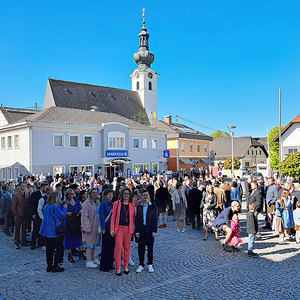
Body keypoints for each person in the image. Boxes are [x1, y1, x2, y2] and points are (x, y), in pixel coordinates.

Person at [39, 191, 67, 272]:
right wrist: (65, 208)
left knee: (49, 250)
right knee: (59, 249)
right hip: (55, 232)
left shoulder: (46, 206)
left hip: (47, 232)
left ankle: (49, 266)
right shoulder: (54, 206)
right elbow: (62, 215)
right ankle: (55, 266)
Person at [110, 187, 135, 276]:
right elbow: (113, 216)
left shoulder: (132, 204)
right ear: (122, 194)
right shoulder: (117, 203)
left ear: (130, 195)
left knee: (127, 248)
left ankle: (126, 266)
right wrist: (112, 229)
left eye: (128, 194)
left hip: (128, 229)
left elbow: (133, 217)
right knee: (118, 248)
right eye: (125, 193)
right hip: (119, 228)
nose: (126, 195)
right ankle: (118, 267)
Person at [135, 190, 158, 273]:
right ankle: (141, 264)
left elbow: (155, 219)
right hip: (141, 230)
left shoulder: (153, 206)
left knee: (150, 248)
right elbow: (137, 220)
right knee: (141, 248)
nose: (145, 197)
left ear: (149, 197)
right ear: (141, 197)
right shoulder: (139, 207)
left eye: (146, 195)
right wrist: (136, 231)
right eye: (143, 195)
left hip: (150, 230)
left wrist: (154, 231)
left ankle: (150, 264)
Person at [61, 188, 85, 263]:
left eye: (72, 194)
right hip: (69, 221)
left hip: (76, 220)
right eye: (69, 194)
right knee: (69, 237)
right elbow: (61, 212)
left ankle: (81, 251)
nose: (71, 195)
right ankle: (70, 254)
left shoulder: (76, 201)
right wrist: (66, 213)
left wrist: (81, 211)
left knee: (78, 236)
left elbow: (80, 208)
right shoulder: (65, 203)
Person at [81, 188, 100, 268]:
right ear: (90, 194)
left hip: (96, 226)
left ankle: (94, 258)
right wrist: (86, 226)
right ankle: (88, 261)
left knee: (94, 243)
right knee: (89, 244)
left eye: (96, 193)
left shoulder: (97, 202)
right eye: (93, 193)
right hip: (90, 226)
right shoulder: (87, 203)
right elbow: (84, 216)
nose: (95, 194)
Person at [99, 189, 115, 272]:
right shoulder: (103, 204)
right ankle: (104, 266)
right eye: (109, 194)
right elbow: (101, 217)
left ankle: (110, 264)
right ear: (105, 195)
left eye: (112, 194)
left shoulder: (112, 204)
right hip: (106, 225)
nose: (110, 196)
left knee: (111, 245)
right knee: (105, 246)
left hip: (112, 226)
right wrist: (103, 228)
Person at [11, 182, 31, 249]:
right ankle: (17, 242)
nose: (23, 187)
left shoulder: (27, 194)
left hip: (25, 214)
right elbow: (13, 206)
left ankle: (23, 241)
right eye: (22, 185)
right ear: (19, 186)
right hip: (18, 214)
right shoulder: (15, 195)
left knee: (24, 228)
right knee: (17, 229)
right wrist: (15, 214)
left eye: (25, 186)